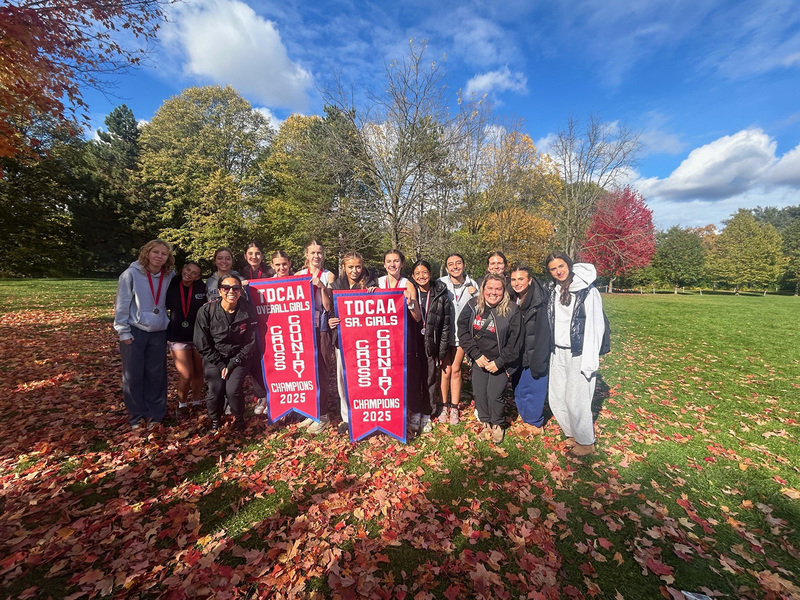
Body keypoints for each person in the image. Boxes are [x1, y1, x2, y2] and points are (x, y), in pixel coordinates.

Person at [545, 252, 605, 456]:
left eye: (561, 266)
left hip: (579, 351)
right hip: (557, 351)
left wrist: (590, 358)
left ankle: (586, 442)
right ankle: (573, 433)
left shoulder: (588, 291)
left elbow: (596, 326)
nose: (558, 271)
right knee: (557, 396)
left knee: (576, 397)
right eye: (553, 269)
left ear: (569, 265)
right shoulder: (554, 290)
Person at [114, 239, 176, 431]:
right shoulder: (131, 274)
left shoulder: (169, 275)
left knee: (156, 375)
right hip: (134, 330)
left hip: (158, 331)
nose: (159, 257)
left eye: (164, 254)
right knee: (133, 375)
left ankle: (156, 413)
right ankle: (136, 415)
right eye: (155, 252)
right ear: (147, 253)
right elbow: (122, 303)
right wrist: (122, 330)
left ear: (168, 257)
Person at [458, 273, 522, 443]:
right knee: (480, 393)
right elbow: (462, 330)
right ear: (483, 289)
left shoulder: (512, 310)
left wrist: (499, 362)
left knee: (495, 394)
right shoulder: (472, 306)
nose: (493, 292)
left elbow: (515, 342)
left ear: (504, 290)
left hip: (500, 362)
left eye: (498, 289)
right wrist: (475, 355)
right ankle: (486, 422)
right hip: (479, 359)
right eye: (490, 288)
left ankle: (498, 424)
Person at [194, 274, 257, 432]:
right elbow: (201, 341)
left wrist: (234, 362)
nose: (231, 291)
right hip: (214, 357)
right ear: (220, 291)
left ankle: (239, 418)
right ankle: (215, 419)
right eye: (226, 288)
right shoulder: (207, 311)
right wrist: (220, 363)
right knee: (215, 390)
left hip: (239, 357)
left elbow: (250, 341)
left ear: (240, 291)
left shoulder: (247, 309)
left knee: (232, 389)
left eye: (236, 288)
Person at [328, 251, 377, 435]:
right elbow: (331, 311)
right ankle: (347, 418)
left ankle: (367, 414)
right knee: (343, 380)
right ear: (344, 267)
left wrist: (376, 294)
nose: (355, 270)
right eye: (350, 267)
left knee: (364, 378)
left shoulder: (371, 283)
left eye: (358, 266)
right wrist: (331, 320)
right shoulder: (336, 285)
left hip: (365, 342)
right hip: (343, 342)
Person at [295, 240, 335, 434]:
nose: (316, 256)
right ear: (307, 255)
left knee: (323, 371)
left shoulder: (328, 276)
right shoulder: (298, 276)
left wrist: (321, 287)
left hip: (322, 329)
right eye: (313, 253)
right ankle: (311, 411)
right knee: (306, 372)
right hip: (302, 330)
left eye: (319, 253)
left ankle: (324, 415)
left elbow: (329, 306)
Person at [410, 260, 452, 434]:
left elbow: (446, 326)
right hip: (413, 343)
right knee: (413, 380)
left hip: (431, 344)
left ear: (431, 274)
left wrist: (441, 352)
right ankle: (415, 412)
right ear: (413, 276)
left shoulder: (441, 294)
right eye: (417, 273)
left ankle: (428, 413)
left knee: (429, 380)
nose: (421, 276)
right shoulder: (409, 292)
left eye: (425, 272)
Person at [509, 265, 551, 436]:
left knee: (533, 387)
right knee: (519, 385)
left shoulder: (540, 300)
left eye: (521, 279)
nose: (517, 283)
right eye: (513, 279)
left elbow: (544, 331)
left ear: (530, 280)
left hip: (535, 350)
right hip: (518, 350)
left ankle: (534, 423)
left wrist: (540, 356)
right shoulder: (512, 298)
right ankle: (525, 416)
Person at [438, 253, 479, 425]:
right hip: (444, 333)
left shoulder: (473, 284)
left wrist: (476, 295)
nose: (455, 266)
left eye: (458, 263)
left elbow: (481, 309)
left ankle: (454, 407)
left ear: (464, 265)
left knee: (455, 369)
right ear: (447, 268)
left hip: (463, 334)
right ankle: (443, 406)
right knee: (444, 370)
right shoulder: (441, 283)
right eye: (451, 264)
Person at [165, 261, 207, 409]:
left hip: (198, 336)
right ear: (183, 268)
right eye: (188, 269)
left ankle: (196, 402)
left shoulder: (202, 288)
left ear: (197, 277)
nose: (189, 274)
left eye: (194, 273)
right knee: (186, 374)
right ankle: (182, 405)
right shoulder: (171, 286)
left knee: (198, 373)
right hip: (177, 336)